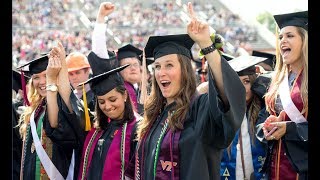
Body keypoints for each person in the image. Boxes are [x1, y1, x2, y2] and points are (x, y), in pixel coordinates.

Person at [125, 2, 246, 180]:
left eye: (169, 65)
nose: (161, 72)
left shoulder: (201, 110)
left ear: (185, 71)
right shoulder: (154, 117)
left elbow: (229, 96)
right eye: (157, 66)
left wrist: (206, 44)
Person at [255, 10, 308, 180]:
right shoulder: (277, 82)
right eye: (280, 37)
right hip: (276, 169)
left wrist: (289, 129)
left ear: (305, 41)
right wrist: (267, 126)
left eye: (290, 36)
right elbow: (262, 121)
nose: (283, 40)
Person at [17, 43, 79, 180]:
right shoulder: (35, 109)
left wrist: (61, 67)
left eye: (46, 75)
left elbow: (55, 124)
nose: (41, 81)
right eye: (36, 77)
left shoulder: (61, 104)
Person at [75, 51, 141, 180]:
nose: (107, 106)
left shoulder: (138, 129)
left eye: (112, 99)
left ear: (125, 96)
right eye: (101, 102)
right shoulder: (98, 129)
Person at [219, 55, 269, 180]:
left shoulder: (265, 111)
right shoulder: (222, 113)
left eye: (246, 81)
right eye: (236, 82)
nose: (241, 88)